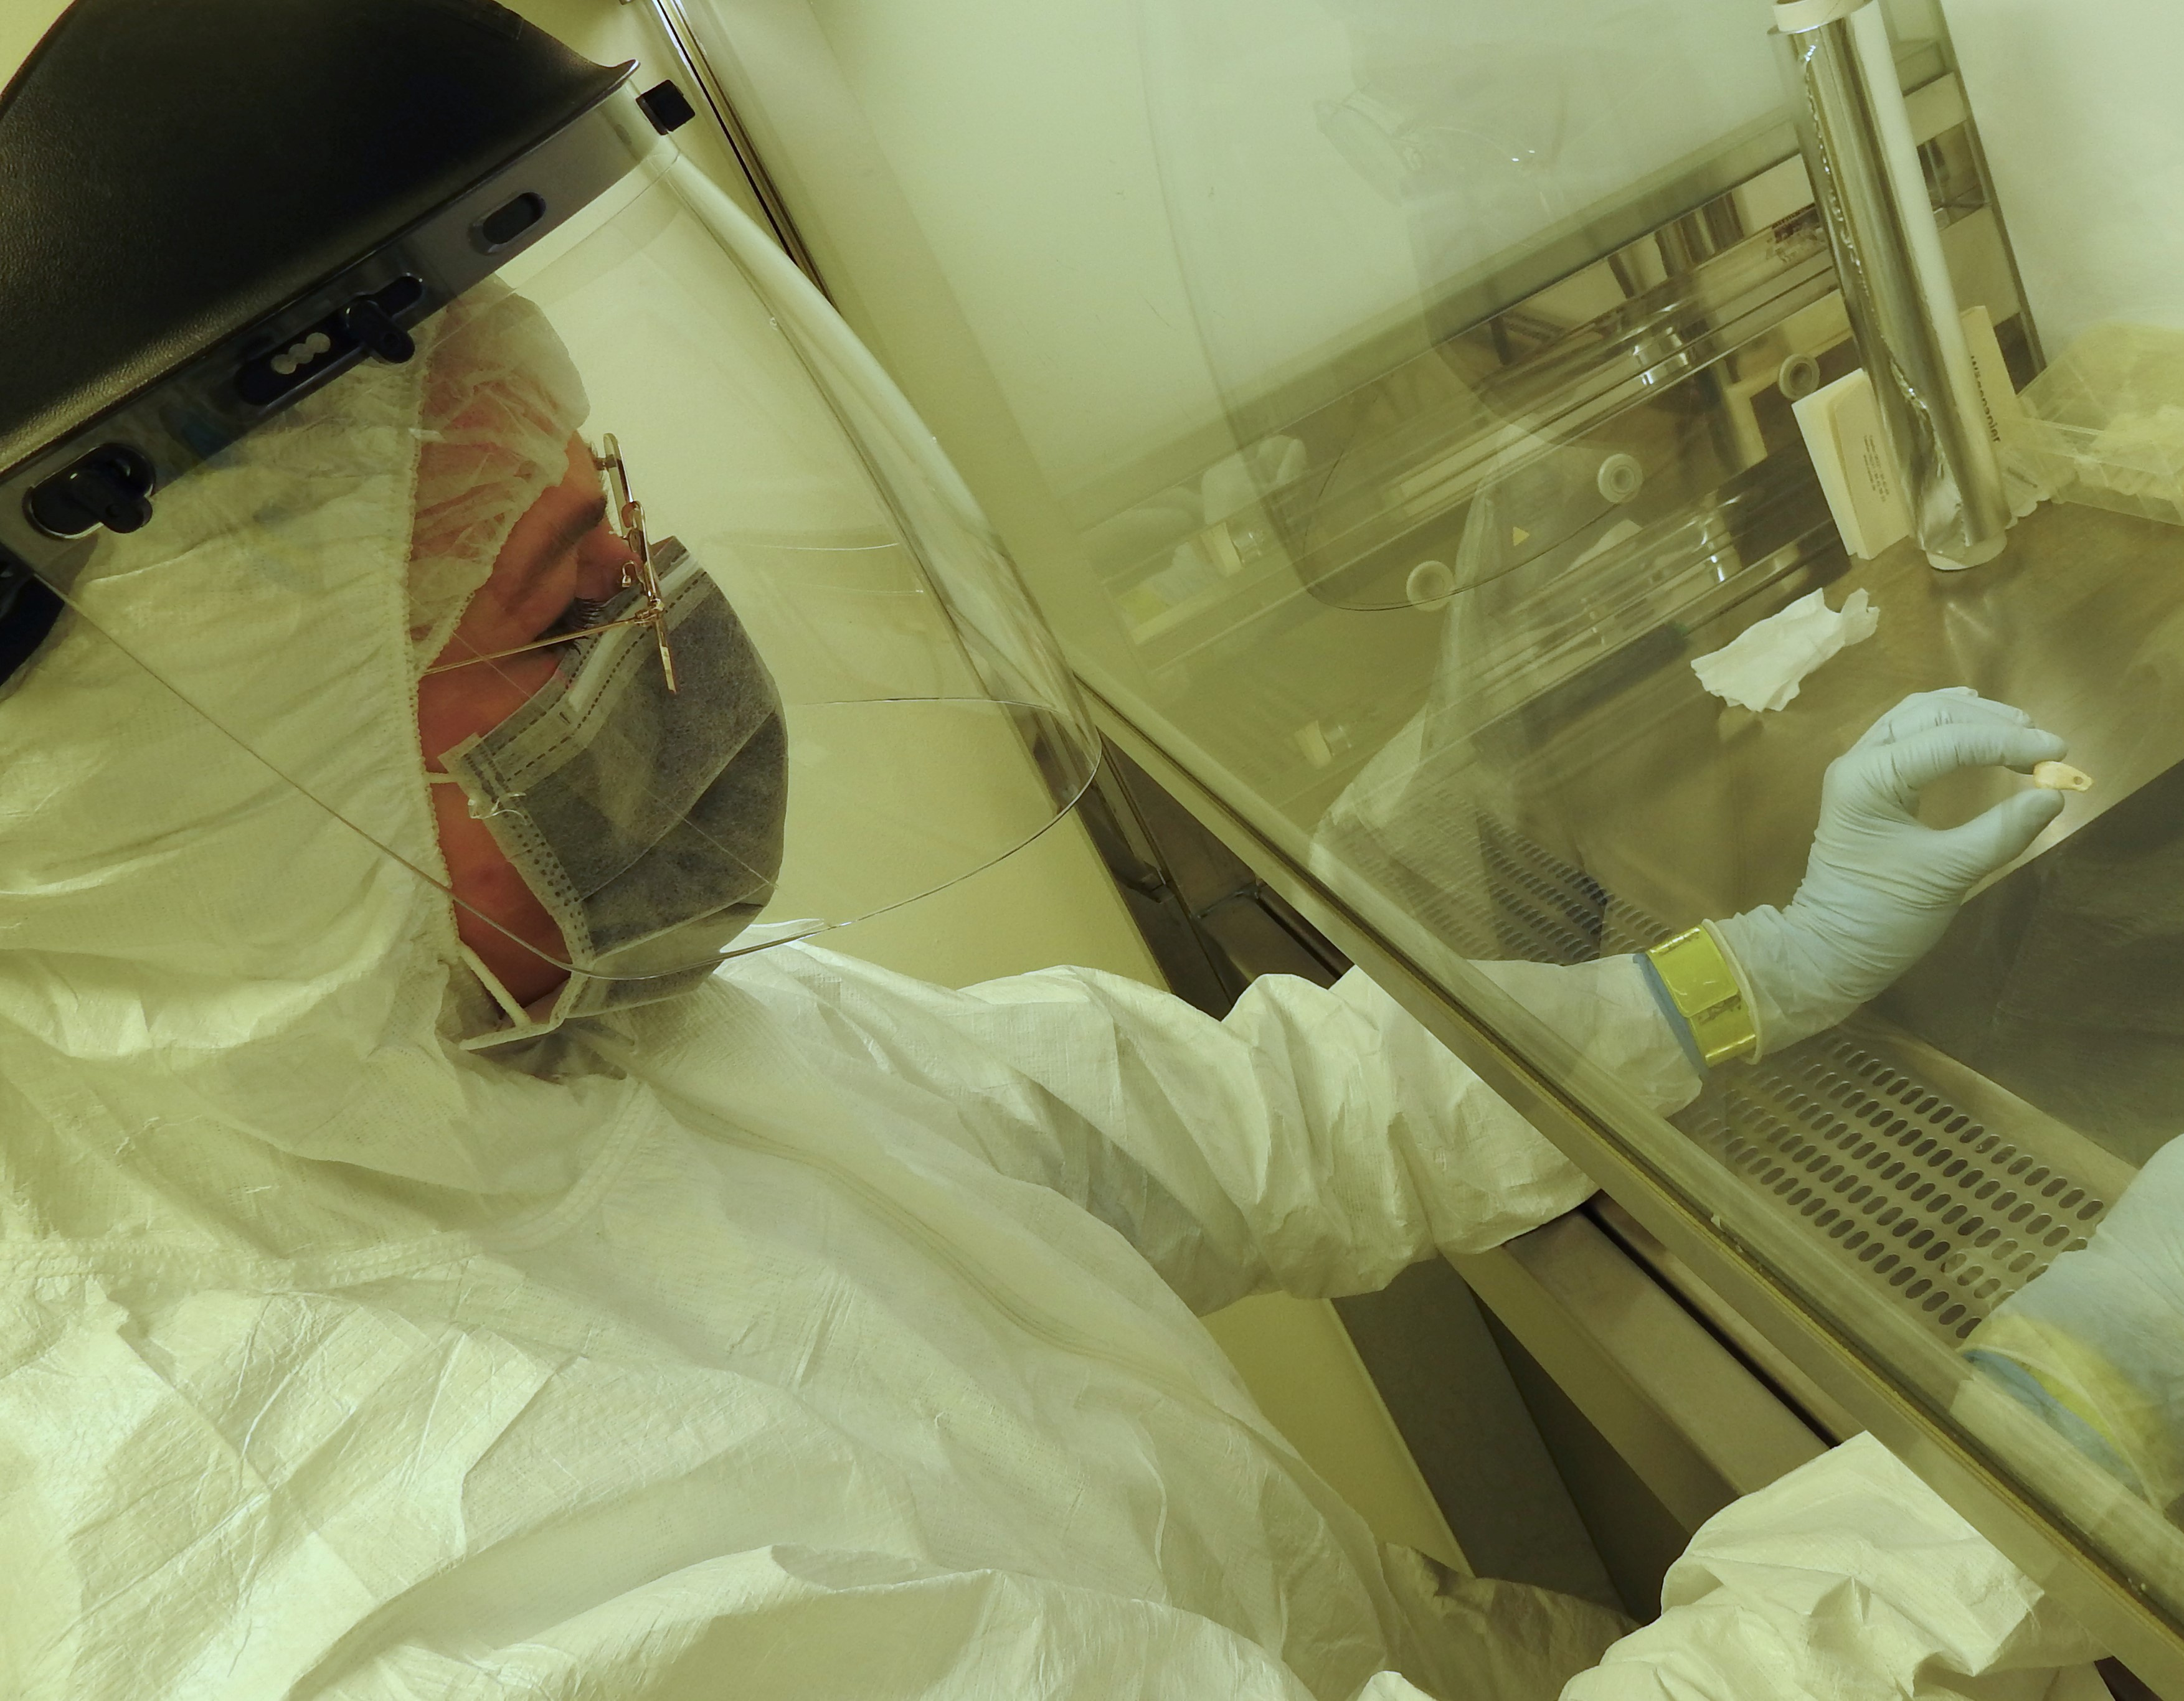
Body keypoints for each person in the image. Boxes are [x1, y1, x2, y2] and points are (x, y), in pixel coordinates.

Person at [0, 2, 2113, 1697]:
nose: (666, 637)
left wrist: (1735, 974)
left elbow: (1190, 1129)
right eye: (560, 608)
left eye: (627, 526)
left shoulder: (563, 1054)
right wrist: (2058, 1444)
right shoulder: (409, 1598)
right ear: (228, 829)